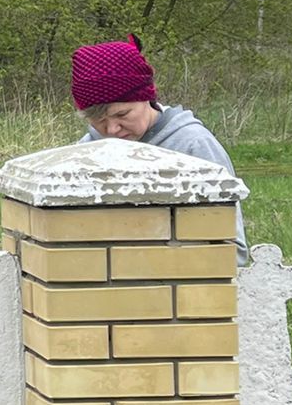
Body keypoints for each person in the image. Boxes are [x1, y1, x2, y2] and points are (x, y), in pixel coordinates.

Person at [72, 34, 248, 263]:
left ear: (147, 97)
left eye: (122, 114)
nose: (112, 129)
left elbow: (232, 250)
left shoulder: (193, 146)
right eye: (99, 121)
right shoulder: (86, 152)